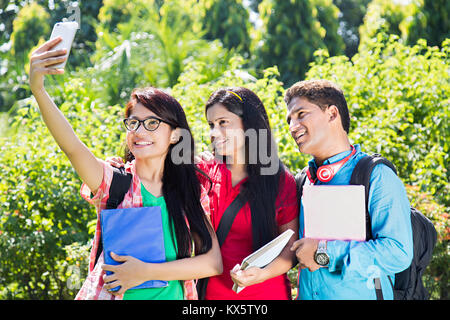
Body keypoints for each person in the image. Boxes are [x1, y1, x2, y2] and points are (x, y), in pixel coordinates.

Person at [28, 37, 222, 300]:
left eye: (152, 123)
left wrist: (146, 272)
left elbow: (212, 262)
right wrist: (39, 89)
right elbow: (72, 147)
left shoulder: (189, 190)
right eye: (133, 123)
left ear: (175, 135)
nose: (140, 131)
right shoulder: (115, 183)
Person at [285, 79, 413, 300]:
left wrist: (323, 251)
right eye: (289, 120)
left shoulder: (376, 175)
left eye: (301, 114)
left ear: (332, 114)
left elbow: (398, 252)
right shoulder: (302, 182)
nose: (292, 127)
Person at [200, 87, 299, 300]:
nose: (214, 133)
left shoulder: (280, 181)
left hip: (266, 293)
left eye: (223, 123)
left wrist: (262, 274)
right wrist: (119, 169)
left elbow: (290, 248)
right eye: (211, 125)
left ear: (249, 125)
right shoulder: (205, 172)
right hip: (211, 295)